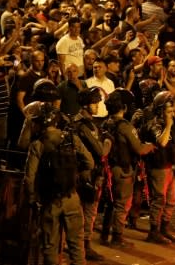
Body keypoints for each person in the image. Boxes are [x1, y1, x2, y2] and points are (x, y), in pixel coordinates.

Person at [23, 102, 94, 265]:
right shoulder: (71, 138)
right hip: (72, 198)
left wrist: (32, 199)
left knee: (50, 246)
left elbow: (29, 177)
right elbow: (89, 162)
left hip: (50, 202)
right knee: (76, 246)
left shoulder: (37, 145)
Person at [100, 88, 156, 248]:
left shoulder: (106, 123)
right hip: (123, 170)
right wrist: (150, 146)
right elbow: (138, 148)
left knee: (111, 203)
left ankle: (105, 234)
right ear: (123, 107)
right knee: (122, 204)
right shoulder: (124, 126)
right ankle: (117, 238)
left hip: (110, 169)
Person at [139, 91, 175, 244]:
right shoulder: (154, 124)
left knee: (171, 200)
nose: (172, 114)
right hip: (158, 168)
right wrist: (169, 125)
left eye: (173, 111)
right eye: (169, 111)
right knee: (159, 199)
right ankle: (154, 232)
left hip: (168, 166)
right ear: (160, 110)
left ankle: (164, 228)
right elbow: (162, 142)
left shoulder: (169, 123)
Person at [72, 87, 106, 261]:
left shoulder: (89, 122)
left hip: (90, 173)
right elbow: (100, 150)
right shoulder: (82, 125)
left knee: (88, 212)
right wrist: (108, 143)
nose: (97, 104)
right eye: (94, 102)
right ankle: (83, 246)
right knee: (86, 212)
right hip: (86, 174)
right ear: (85, 104)